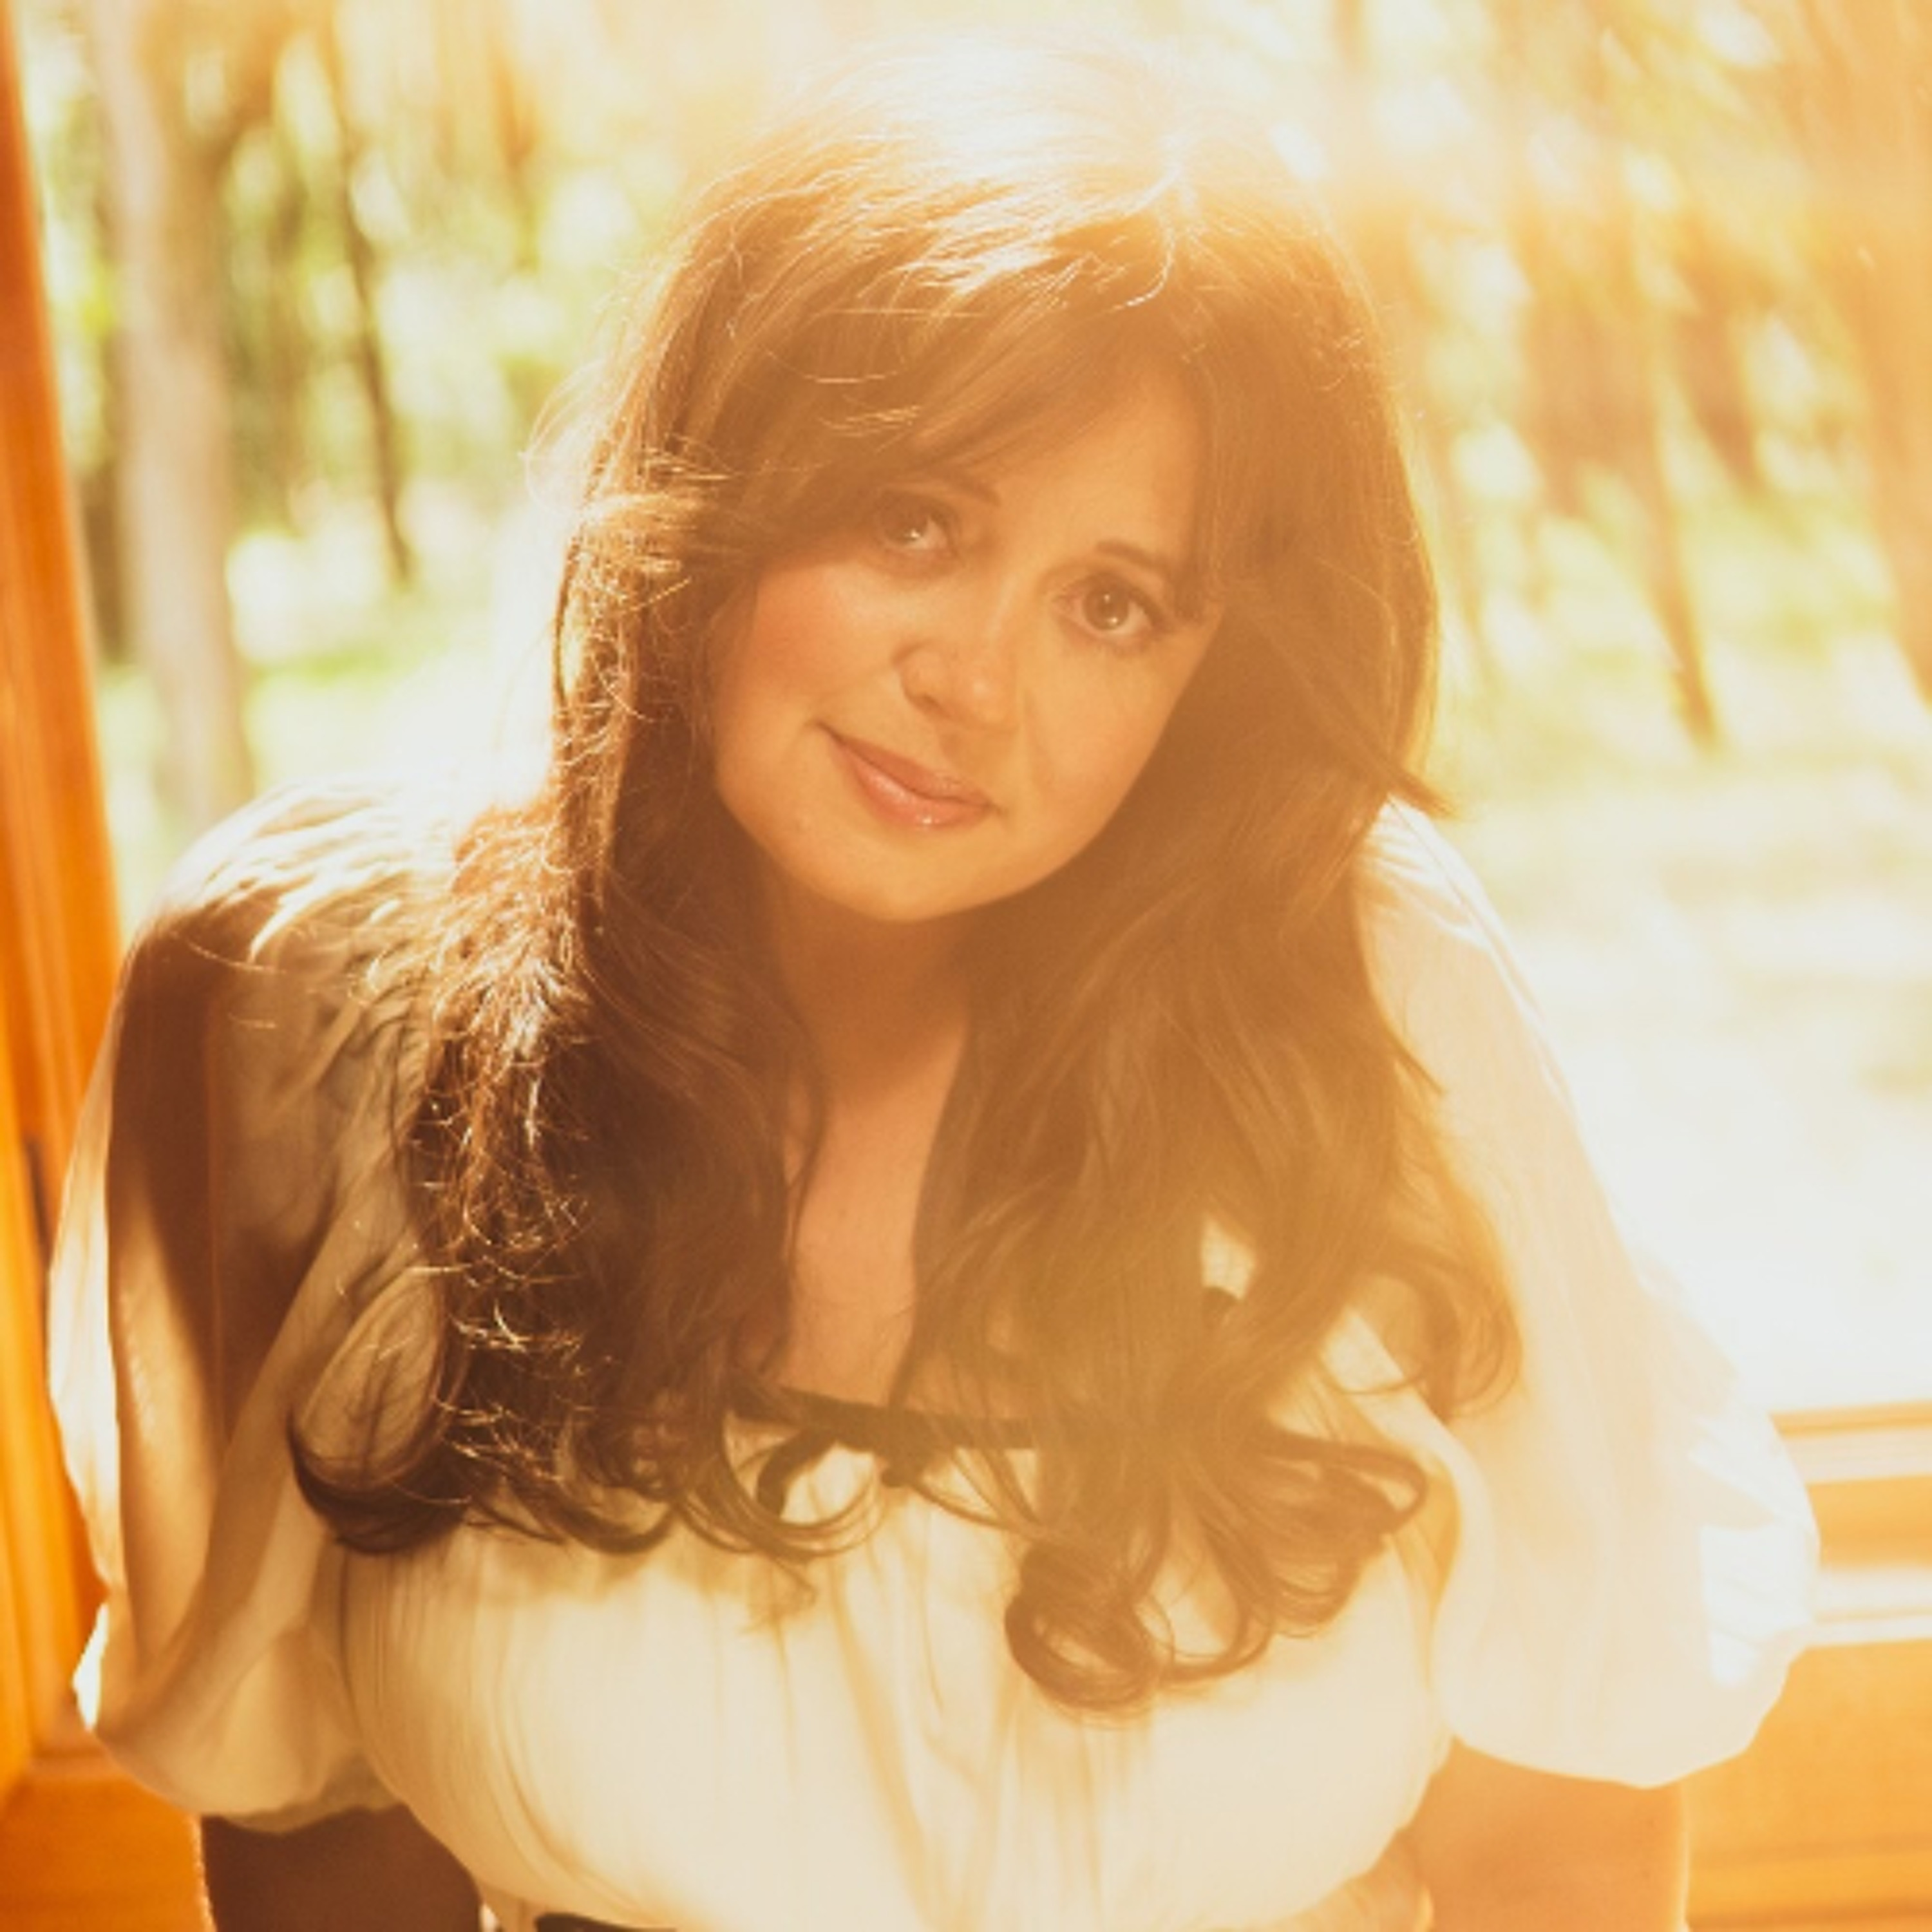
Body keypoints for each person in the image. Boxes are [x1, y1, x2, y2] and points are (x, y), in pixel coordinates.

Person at [49, 33, 1815, 1932]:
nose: (976, 683)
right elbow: (307, 1812)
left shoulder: (1365, 999)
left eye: (1110, 604)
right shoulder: (307, 1000)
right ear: (716, 468)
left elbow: (1560, 1838)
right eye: (915, 523)